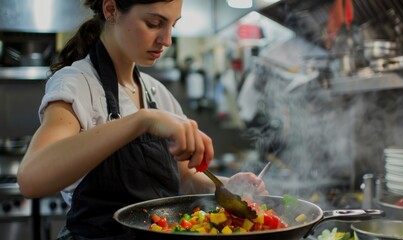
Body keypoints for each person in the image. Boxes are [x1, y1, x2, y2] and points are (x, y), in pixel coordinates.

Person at [16, 0, 267, 239]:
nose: (167, 39)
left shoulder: (157, 93)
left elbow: (185, 178)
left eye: (172, 25)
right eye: (154, 23)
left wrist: (224, 187)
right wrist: (142, 120)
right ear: (111, 9)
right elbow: (31, 179)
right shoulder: (78, 84)